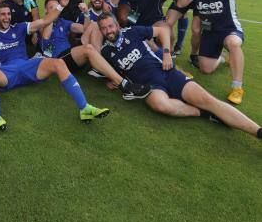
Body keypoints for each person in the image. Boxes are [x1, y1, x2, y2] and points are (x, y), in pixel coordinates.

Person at [0, 0, 110, 135]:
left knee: (59, 63)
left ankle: (85, 108)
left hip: (27, 67)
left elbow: (45, 20)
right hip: (6, 72)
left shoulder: (19, 28)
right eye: (2, 15)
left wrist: (60, 6)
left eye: (8, 14)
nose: (6, 17)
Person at [95, 12, 262, 143]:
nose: (109, 31)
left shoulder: (133, 32)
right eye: (104, 28)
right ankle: (202, 113)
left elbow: (163, 30)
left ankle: (258, 132)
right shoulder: (105, 52)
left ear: (116, 24)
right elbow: (108, 71)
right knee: (160, 105)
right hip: (150, 87)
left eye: (111, 26)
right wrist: (109, 80)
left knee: (210, 100)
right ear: (100, 30)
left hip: (167, 73)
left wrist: (167, 54)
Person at [175, 0, 258, 105]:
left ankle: (237, 88)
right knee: (205, 69)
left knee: (233, 43)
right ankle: (223, 57)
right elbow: (181, 4)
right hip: (210, 33)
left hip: (229, 30)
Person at [38, 0, 151, 100]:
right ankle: (125, 85)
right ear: (46, 11)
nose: (55, 10)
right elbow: (46, 36)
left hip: (72, 55)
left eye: (56, 7)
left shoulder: (63, 22)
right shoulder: (42, 23)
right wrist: (52, 16)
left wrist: (86, 13)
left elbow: (84, 29)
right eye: (51, 8)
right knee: (88, 49)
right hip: (59, 60)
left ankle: (99, 66)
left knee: (95, 25)